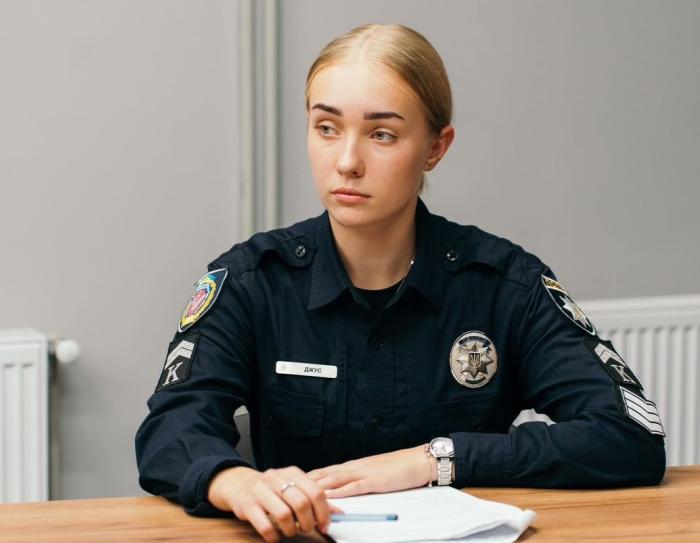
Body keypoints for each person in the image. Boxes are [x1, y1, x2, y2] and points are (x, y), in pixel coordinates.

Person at [135, 23, 666, 543]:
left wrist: (436, 460)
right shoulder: (253, 280)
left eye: (382, 134)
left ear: (436, 147)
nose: (347, 162)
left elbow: (630, 435)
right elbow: (170, 427)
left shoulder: (505, 284)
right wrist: (237, 482)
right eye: (326, 128)